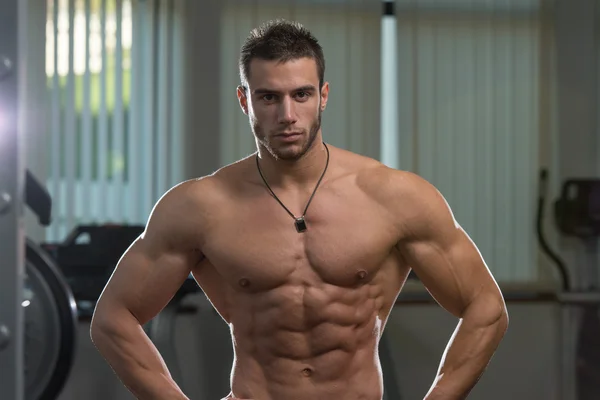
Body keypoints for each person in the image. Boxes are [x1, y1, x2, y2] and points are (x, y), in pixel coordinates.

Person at [90, 19, 509, 400]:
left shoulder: (393, 197)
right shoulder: (201, 206)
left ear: (323, 95)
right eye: (269, 97)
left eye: (301, 94)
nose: (287, 115)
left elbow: (486, 307)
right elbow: (112, 318)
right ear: (244, 100)